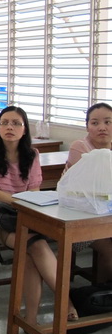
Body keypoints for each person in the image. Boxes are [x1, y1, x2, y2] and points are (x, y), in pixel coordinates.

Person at [0, 106, 79, 333]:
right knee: (34, 244)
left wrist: (27, 205)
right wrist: (23, 203)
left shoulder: (32, 155)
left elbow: (35, 189)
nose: (9, 127)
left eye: (16, 123)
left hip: (25, 216)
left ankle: (31, 319)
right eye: (4, 123)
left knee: (31, 247)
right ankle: (65, 302)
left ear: (24, 130)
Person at [64, 102, 112, 282]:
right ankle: (101, 297)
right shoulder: (80, 147)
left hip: (107, 215)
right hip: (81, 217)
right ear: (87, 126)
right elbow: (93, 188)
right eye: (95, 123)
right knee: (109, 250)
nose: (102, 128)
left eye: (108, 122)